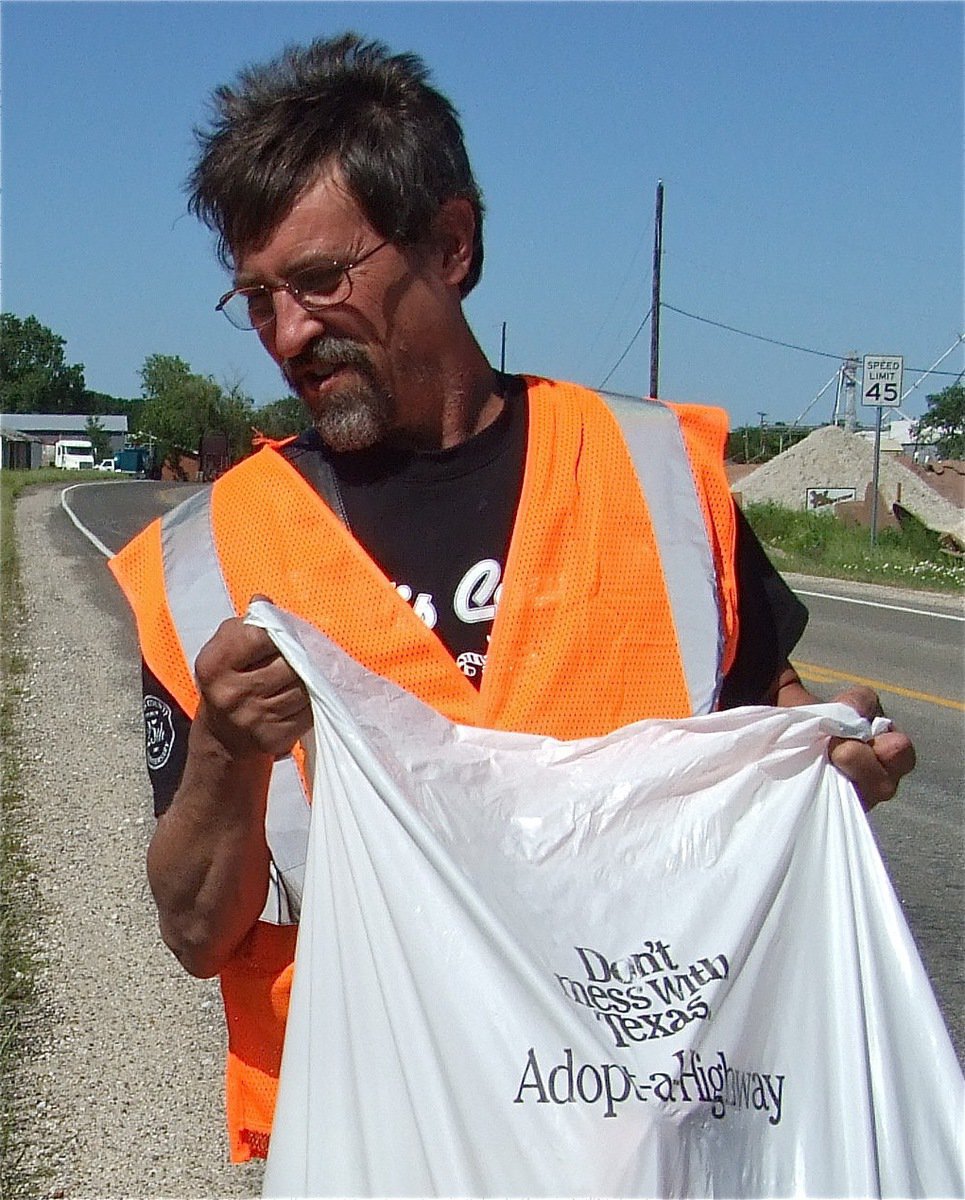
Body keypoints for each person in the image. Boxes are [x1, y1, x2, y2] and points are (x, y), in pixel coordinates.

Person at [109, 33, 915, 1163]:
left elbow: (770, 727)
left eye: (319, 281)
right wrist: (226, 756)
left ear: (452, 242)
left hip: (652, 1136)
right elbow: (197, 933)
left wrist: (830, 765)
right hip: (372, 1145)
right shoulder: (208, 557)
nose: (287, 334)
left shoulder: (654, 481)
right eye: (256, 299)